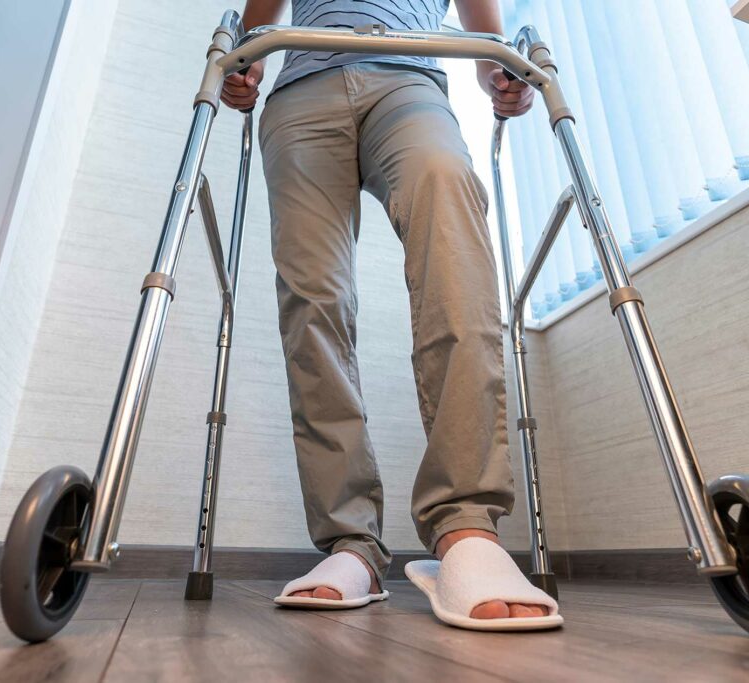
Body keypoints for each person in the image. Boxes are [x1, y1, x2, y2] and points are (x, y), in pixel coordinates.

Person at [220, 0, 560, 630]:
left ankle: (465, 528)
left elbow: (483, 22)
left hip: (410, 79)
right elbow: (256, 22)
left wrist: (498, 74)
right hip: (301, 92)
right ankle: (351, 544)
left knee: (452, 240)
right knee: (312, 301)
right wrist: (244, 66)